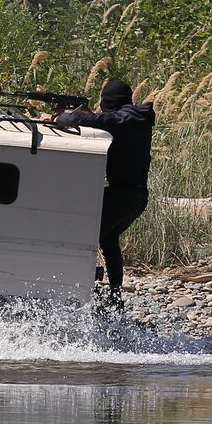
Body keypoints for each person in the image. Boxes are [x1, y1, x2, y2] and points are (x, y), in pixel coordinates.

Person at [55, 78, 154, 306]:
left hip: (122, 196)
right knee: (108, 239)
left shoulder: (123, 119)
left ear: (109, 100)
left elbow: (73, 119)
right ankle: (115, 296)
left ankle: (77, 290)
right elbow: (100, 120)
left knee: (84, 237)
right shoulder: (136, 119)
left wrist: (57, 116)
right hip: (135, 198)